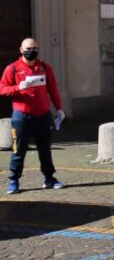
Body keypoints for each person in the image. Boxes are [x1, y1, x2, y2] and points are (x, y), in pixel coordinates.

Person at [0, 38, 65, 194]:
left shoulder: (44, 67)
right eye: (28, 48)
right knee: (18, 150)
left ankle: (49, 178)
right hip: (21, 116)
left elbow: (53, 89)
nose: (32, 51)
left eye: (35, 48)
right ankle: (14, 180)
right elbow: (2, 89)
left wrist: (59, 109)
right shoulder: (13, 68)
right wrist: (17, 87)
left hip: (43, 115)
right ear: (21, 50)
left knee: (45, 149)